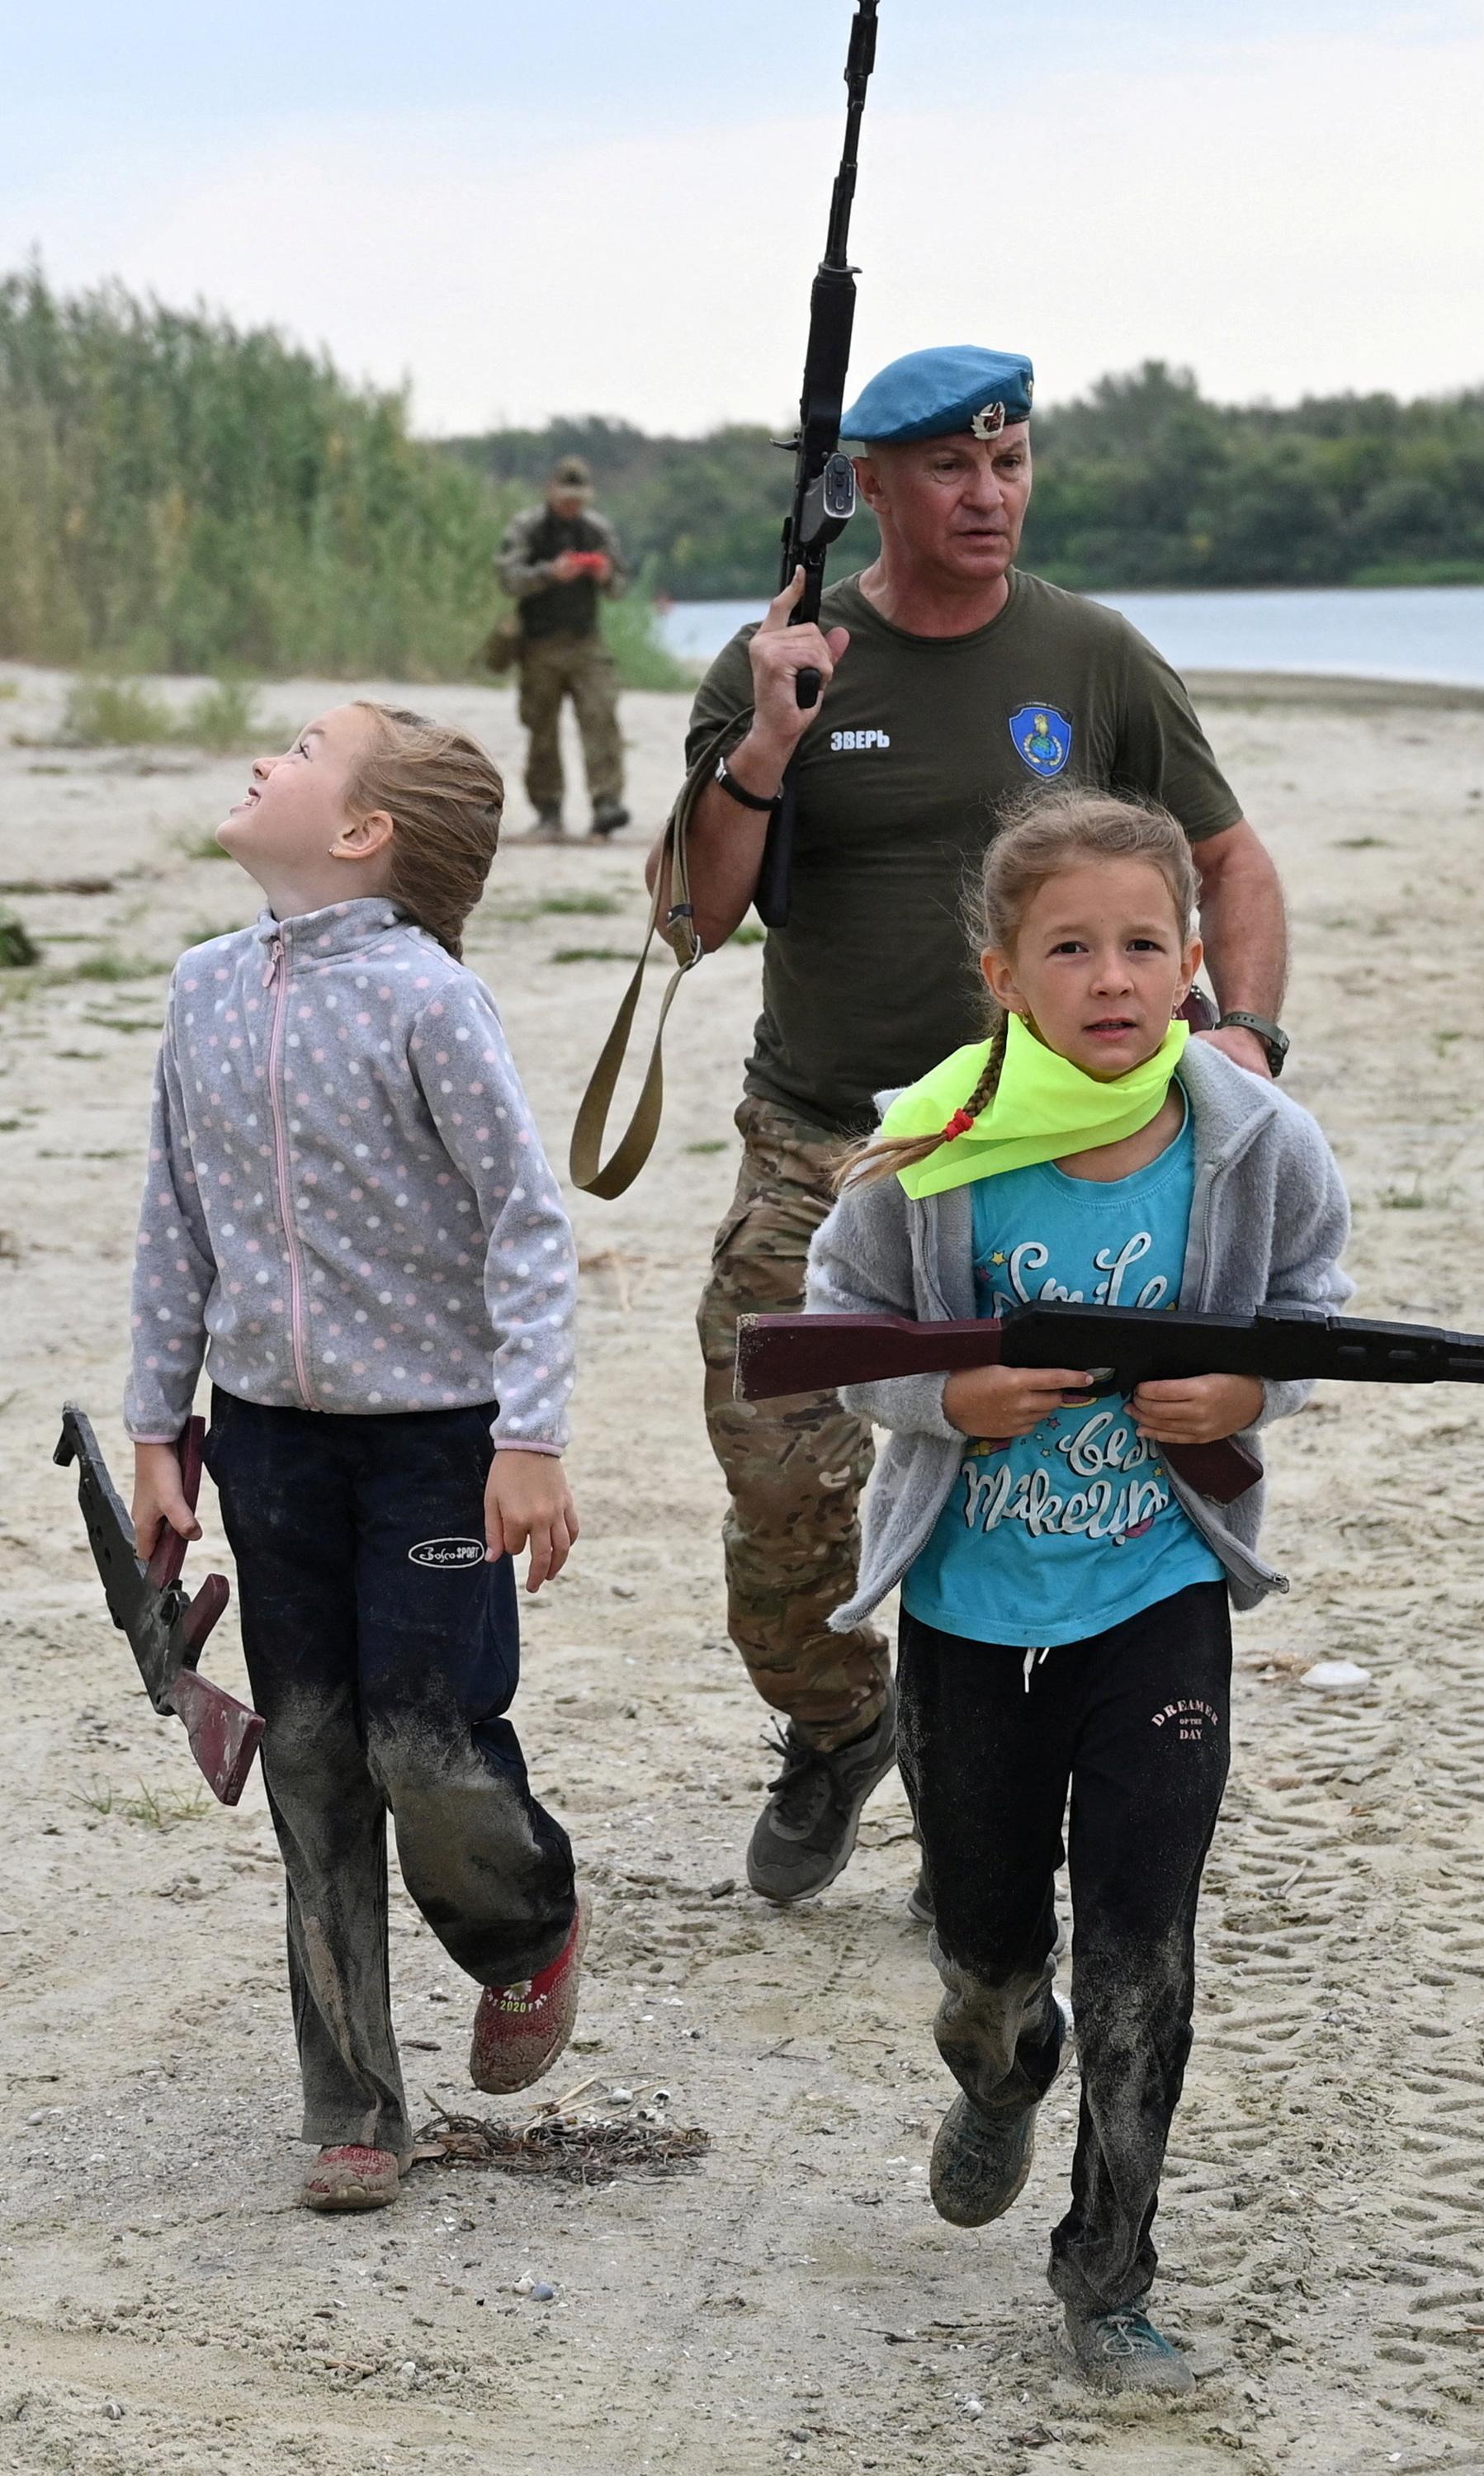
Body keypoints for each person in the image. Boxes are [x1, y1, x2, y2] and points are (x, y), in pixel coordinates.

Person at [656, 345, 1293, 1903]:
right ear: (866, 485)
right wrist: (765, 743)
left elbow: (1231, 861)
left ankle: (986, 1802)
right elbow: (689, 916)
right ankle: (833, 1728)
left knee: (1042, 1479)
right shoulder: (783, 664)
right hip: (836, 1149)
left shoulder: (1093, 656)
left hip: (1063, 1154)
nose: (990, 495)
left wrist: (1252, 1048)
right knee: (778, 1483)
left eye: (1011, 464)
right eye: (952, 468)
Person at [803, 787, 1349, 2391]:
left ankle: (1108, 2271)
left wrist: (1249, 1395)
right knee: (987, 1950)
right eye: (1069, 948)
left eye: (1142, 944)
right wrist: (944, 1401)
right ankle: (996, 2063)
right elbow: (840, 1334)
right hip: (969, 1613)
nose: (1112, 978)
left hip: (1154, 1595)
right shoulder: (933, 1140)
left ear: (1193, 958)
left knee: (1141, 1951)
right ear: (1000, 971)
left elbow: (1316, 1310)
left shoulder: (1253, 1139)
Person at [125, 702, 591, 2214]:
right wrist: (156, 1428)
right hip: (269, 1442)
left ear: (361, 831)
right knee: (314, 1761)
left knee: (422, 1743)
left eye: (306, 747)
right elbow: (175, 1223)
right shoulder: (202, 992)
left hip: (437, 1443)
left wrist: (528, 1435)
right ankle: (354, 2101)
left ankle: (525, 1930)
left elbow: (527, 1222)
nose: (266, 754)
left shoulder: (427, 1001)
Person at [495, 454, 630, 841]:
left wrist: (605, 576)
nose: (572, 504)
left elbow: (620, 585)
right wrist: (549, 573)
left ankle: (607, 805)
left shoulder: (597, 530)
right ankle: (548, 811)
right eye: (566, 495)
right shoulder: (527, 528)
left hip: (587, 641)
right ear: (550, 490)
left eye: (579, 497)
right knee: (542, 729)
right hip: (540, 644)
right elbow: (508, 578)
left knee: (602, 717)